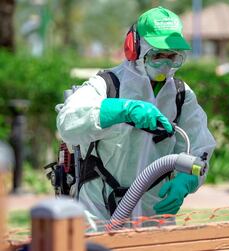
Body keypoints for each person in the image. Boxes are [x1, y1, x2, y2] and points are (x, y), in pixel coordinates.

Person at [57, 6, 216, 227]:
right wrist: (123, 110)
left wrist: (186, 181)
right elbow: (68, 123)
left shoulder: (181, 95)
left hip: (153, 215)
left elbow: (200, 147)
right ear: (135, 48)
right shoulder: (107, 84)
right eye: (157, 55)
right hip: (99, 213)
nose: (166, 64)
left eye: (173, 56)